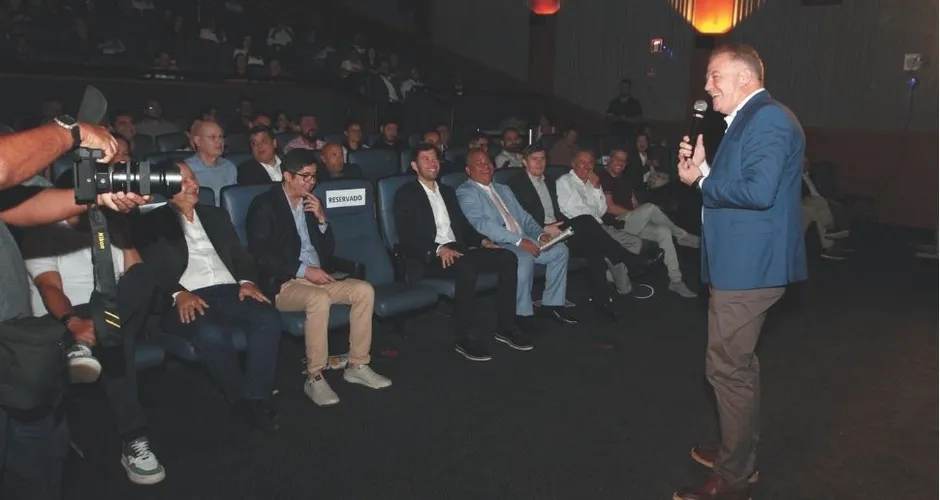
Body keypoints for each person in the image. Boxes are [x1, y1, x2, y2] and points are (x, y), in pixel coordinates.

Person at [674, 43, 807, 500]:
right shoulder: (746, 120)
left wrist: (701, 179)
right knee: (739, 368)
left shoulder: (767, 119)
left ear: (746, 77)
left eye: (715, 75)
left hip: (749, 269)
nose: (707, 85)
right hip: (741, 264)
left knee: (727, 370)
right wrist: (705, 168)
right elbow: (742, 182)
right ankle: (738, 452)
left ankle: (733, 479)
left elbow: (758, 191)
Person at [0, 118, 149, 500]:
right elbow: (3, 167)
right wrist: (70, 130)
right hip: (52, 320)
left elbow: (20, 207)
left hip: (17, 337)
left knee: (39, 459)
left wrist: (96, 196)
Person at [22, 176, 165, 485]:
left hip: (112, 309)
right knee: (118, 340)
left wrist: (123, 234)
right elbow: (49, 287)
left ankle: (95, 337)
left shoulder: (107, 225)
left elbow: (136, 277)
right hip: (67, 314)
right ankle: (134, 438)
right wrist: (74, 322)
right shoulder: (44, 230)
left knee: (142, 276)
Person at [132, 161, 283, 431]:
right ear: (166, 188)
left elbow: (240, 255)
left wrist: (247, 281)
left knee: (268, 316)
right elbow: (149, 270)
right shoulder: (150, 223)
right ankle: (241, 399)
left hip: (229, 289)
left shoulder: (216, 215)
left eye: (193, 178)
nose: (194, 185)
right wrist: (178, 293)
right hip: (185, 297)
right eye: (185, 181)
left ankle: (255, 398)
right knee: (211, 331)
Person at [245, 149, 391, 408]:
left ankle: (357, 364)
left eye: (314, 176)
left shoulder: (310, 202)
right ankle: (314, 376)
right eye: (305, 176)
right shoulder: (264, 205)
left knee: (364, 290)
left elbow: (327, 251)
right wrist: (303, 270)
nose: (311, 182)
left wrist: (322, 220)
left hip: (317, 278)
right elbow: (261, 255)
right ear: (287, 176)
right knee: (319, 298)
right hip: (283, 283)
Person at [395, 143, 525, 361]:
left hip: (458, 251)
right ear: (414, 166)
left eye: (434, 158)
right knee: (467, 265)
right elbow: (407, 235)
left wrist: (482, 241)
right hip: (428, 257)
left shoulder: (447, 191)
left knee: (507, 257)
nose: (432, 163)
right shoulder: (405, 194)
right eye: (425, 159)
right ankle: (463, 337)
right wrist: (438, 249)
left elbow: (463, 227)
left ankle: (506, 326)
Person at [457, 150, 576, 334]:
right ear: (468, 170)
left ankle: (551, 305)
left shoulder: (503, 189)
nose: (486, 166)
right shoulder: (466, 192)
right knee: (524, 258)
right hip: (498, 244)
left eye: (488, 162)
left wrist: (540, 235)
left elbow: (525, 218)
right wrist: (519, 241)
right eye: (479, 163)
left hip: (522, 239)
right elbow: (483, 224)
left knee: (560, 250)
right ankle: (521, 314)